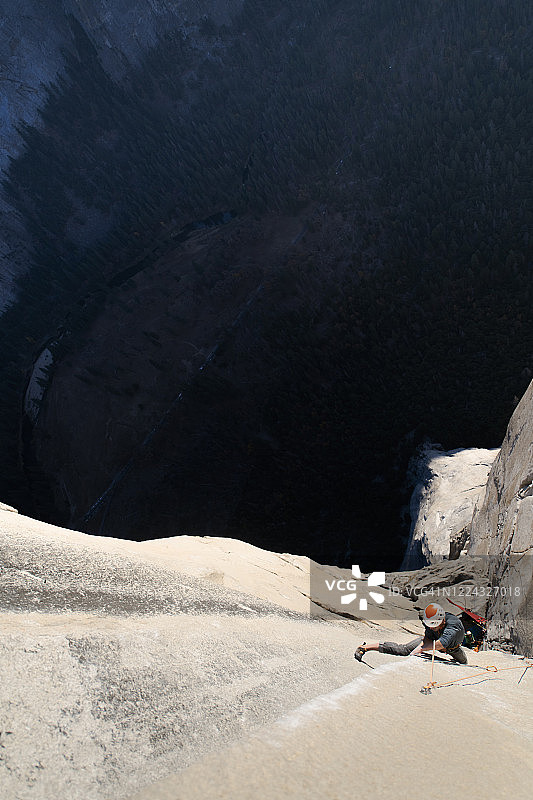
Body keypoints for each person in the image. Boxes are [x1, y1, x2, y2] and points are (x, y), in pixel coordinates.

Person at [354, 602, 467, 664]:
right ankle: (365, 647)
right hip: (433, 642)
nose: (431, 628)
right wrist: (418, 649)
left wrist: (422, 649)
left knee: (463, 662)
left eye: (434, 626)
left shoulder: (453, 624)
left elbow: (442, 643)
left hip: (452, 648)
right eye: (430, 626)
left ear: (442, 620)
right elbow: (428, 638)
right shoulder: (431, 624)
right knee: (403, 649)